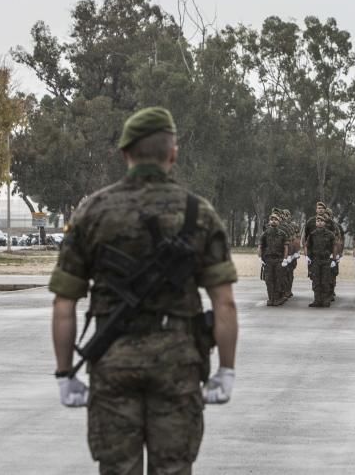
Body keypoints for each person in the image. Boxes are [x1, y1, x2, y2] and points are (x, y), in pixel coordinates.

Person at [49, 107, 239, 474]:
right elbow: (225, 302)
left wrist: (64, 374)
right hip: (179, 364)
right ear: (173, 154)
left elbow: (63, 304)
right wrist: (226, 370)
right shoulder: (198, 213)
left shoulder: (93, 212)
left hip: (113, 364)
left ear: (125, 154)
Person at [259, 213, 290, 306]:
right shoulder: (265, 234)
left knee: (278, 280)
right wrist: (260, 258)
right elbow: (261, 246)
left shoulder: (283, 234)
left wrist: (285, 259)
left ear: (279, 221)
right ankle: (271, 298)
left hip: (279, 260)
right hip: (268, 260)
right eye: (272, 219)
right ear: (269, 221)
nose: (273, 221)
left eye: (276, 219)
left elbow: (286, 247)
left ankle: (277, 298)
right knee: (269, 280)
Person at [305, 214, 336, 307]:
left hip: (326, 260)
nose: (319, 222)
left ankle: (325, 300)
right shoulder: (312, 234)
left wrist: (333, 259)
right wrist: (307, 256)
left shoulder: (330, 234)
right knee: (316, 281)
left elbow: (334, 247)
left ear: (325, 223)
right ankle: (317, 300)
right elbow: (308, 246)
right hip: (315, 260)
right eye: (318, 221)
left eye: (322, 221)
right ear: (316, 223)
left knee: (325, 281)